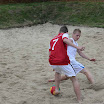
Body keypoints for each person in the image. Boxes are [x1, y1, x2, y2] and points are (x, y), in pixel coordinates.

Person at [49, 26, 84, 102]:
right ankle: (79, 99)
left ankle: (57, 89)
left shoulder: (53, 39)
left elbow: (50, 52)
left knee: (57, 72)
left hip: (53, 60)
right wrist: (77, 47)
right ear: (66, 32)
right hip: (62, 60)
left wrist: (53, 64)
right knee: (74, 79)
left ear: (59, 32)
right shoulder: (64, 35)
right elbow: (65, 40)